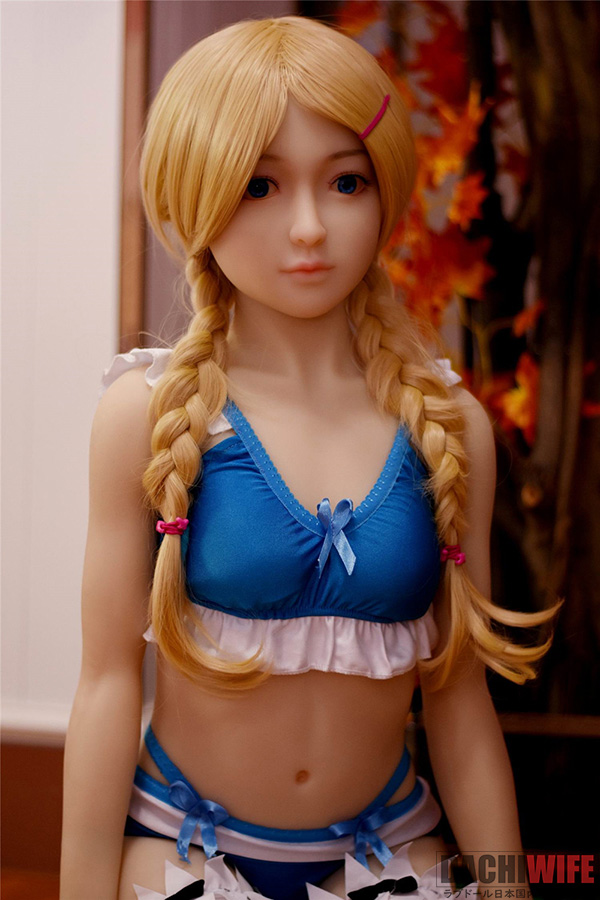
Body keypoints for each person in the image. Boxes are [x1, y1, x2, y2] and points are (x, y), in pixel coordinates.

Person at [60, 15, 558, 900]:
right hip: (183, 852)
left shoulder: (450, 426)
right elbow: (104, 684)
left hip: (394, 855)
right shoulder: (144, 415)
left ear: (384, 189)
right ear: (194, 192)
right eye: (259, 185)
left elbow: (460, 701)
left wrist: (507, 887)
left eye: (345, 182)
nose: (308, 228)